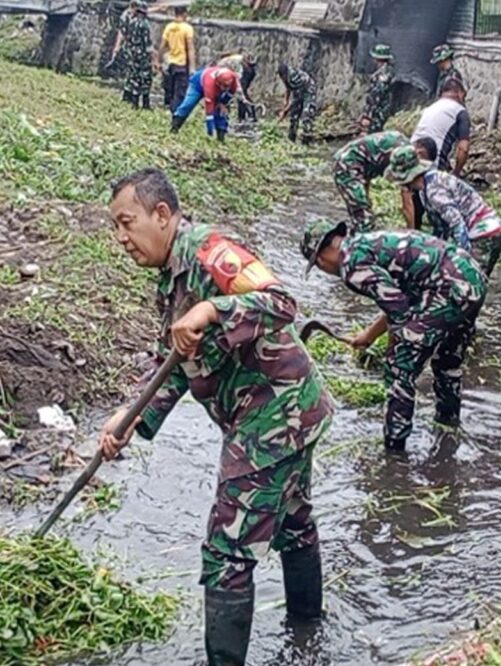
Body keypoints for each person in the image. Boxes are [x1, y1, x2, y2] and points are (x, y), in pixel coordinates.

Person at [104, 168, 333, 665]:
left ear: (161, 215)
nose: (121, 238)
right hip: (286, 413)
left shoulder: (211, 253)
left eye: (127, 223)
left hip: (274, 414)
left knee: (227, 551)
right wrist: (129, 420)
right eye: (115, 228)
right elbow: (179, 367)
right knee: (294, 522)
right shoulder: (171, 279)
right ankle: (309, 639)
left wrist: (211, 310)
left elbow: (280, 302)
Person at [300, 218, 485, 451]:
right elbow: (401, 298)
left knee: (399, 366)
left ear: (319, 258)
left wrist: (395, 350)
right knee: (447, 361)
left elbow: (399, 313)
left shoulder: (351, 265)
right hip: (470, 278)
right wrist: (369, 335)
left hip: (448, 288)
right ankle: (447, 426)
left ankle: (394, 451)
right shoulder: (364, 245)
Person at [396, 141, 501, 275]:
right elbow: (441, 229)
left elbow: (457, 224)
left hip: (482, 233)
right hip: (492, 228)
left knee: (469, 281)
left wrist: (462, 260)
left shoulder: (434, 192)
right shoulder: (428, 184)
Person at [331, 130, 408, 233]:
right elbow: (407, 203)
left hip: (360, 163)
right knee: (363, 218)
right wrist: (412, 233)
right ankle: (360, 243)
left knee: (364, 210)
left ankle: (356, 234)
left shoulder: (404, 146)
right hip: (346, 166)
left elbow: (369, 164)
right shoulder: (402, 157)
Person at [411, 78, 470, 176]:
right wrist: (456, 173)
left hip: (411, 154)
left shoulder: (431, 107)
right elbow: (464, 148)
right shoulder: (460, 111)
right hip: (433, 159)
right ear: (460, 93)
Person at [170, 65, 240, 140]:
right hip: (197, 84)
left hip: (215, 87)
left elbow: (231, 93)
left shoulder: (233, 79)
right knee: (188, 104)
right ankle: (175, 127)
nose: (225, 88)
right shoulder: (210, 83)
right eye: (224, 86)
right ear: (218, 83)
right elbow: (209, 109)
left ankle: (221, 136)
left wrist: (223, 103)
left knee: (220, 111)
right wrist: (210, 129)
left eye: (227, 86)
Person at [120, 0, 158, 109]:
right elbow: (148, 44)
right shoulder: (144, 24)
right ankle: (145, 103)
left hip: (132, 53)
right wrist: (154, 60)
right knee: (146, 78)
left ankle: (134, 102)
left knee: (134, 77)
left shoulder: (132, 22)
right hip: (142, 55)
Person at [160, 6, 195, 112]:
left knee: (169, 88)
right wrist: (192, 67)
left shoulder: (169, 27)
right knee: (180, 91)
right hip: (181, 64)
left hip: (170, 63)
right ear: (184, 14)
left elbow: (162, 45)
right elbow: (190, 49)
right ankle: (176, 113)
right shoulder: (187, 28)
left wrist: (158, 60)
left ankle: (168, 108)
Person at [277, 63, 318, 144]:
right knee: (294, 116)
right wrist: (285, 101)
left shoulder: (294, 77)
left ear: (285, 75)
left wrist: (285, 112)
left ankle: (307, 139)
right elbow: (288, 87)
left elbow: (296, 99)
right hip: (299, 90)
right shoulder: (286, 77)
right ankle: (291, 137)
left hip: (308, 89)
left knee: (306, 114)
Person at [360, 44, 395, 134]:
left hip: (378, 112)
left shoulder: (381, 75)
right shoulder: (390, 71)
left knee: (373, 134)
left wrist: (367, 115)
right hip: (385, 110)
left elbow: (375, 97)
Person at [219, 52, 259, 122]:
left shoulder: (226, 63)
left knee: (241, 94)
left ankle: (245, 116)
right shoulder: (232, 60)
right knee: (241, 93)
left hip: (243, 72)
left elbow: (237, 78)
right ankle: (245, 116)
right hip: (248, 71)